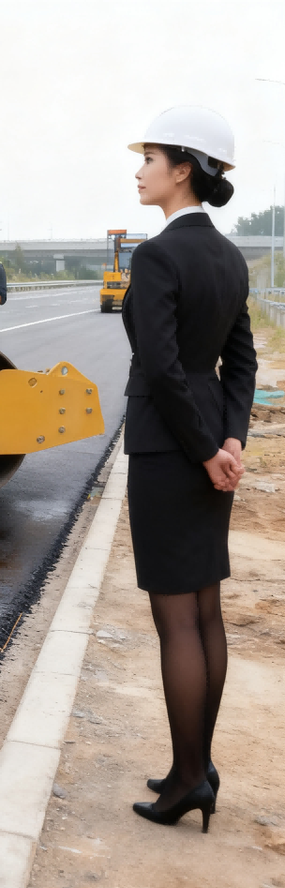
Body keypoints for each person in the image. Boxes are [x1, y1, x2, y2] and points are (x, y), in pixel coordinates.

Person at [123, 106, 257, 833]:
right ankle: (198, 766)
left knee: (176, 617)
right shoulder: (230, 258)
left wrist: (207, 451)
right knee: (205, 608)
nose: (139, 171)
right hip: (209, 446)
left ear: (182, 169)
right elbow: (242, 362)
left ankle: (186, 779)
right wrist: (230, 441)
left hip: (170, 449)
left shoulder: (156, 257)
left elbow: (163, 370)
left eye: (149, 159)